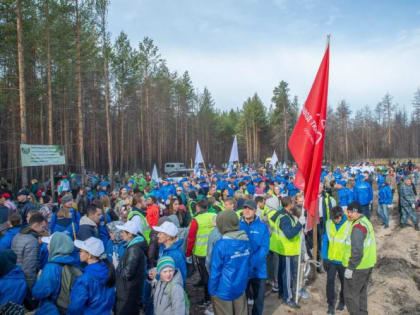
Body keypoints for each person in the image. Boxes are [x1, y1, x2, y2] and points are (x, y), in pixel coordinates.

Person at [209, 209, 251, 315]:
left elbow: (215, 271)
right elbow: (247, 265)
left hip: (223, 291)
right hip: (240, 287)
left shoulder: (221, 245)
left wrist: (212, 291)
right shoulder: (245, 240)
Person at [32, 232, 80, 314]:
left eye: (50, 244)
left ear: (57, 246)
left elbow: (39, 293)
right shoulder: (75, 263)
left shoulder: (51, 267)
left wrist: (39, 278)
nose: (47, 246)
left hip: (54, 309)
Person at [343, 201, 377, 315]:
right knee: (361, 293)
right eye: (348, 212)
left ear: (357, 213)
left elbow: (357, 251)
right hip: (367, 265)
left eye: (351, 212)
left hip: (358, 267)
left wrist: (350, 268)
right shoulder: (365, 221)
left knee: (350, 295)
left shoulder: (358, 227)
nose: (349, 214)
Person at [269, 196, 303, 309]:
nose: (294, 204)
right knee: (288, 275)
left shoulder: (279, 213)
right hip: (287, 249)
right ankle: (288, 298)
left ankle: (282, 293)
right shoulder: (285, 217)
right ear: (289, 204)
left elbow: (273, 222)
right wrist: (299, 224)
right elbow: (289, 234)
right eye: (293, 202)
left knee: (281, 272)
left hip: (279, 248)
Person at [68, 237, 116, 314]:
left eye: (80, 251)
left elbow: (75, 307)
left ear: (89, 255)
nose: (79, 253)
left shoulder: (84, 279)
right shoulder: (108, 271)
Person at [239, 199, 269, 315]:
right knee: (242, 301)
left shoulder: (262, 226)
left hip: (258, 270)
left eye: (249, 208)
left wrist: (251, 264)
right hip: (242, 270)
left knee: (259, 300)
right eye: (245, 208)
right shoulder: (237, 225)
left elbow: (264, 248)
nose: (246, 211)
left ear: (255, 211)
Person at [186, 198, 216, 306]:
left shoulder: (196, 220)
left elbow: (191, 238)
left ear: (198, 207)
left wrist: (188, 253)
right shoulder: (213, 216)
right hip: (214, 251)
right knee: (213, 273)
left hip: (201, 253)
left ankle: (207, 299)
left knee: (205, 276)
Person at [115, 220, 147, 315]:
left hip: (127, 293)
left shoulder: (133, 249)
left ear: (130, 235)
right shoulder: (133, 246)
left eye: (123, 232)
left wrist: (118, 269)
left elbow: (128, 273)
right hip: (130, 291)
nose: (121, 234)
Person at [321, 206, 349, 315]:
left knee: (344, 282)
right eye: (334, 218)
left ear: (341, 215)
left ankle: (342, 301)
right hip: (331, 260)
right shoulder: (329, 223)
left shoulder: (348, 224)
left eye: (337, 218)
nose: (335, 220)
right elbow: (325, 240)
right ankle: (331, 305)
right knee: (330, 282)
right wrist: (324, 257)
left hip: (343, 261)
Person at [11, 212, 47, 288]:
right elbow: (30, 267)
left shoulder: (19, 234)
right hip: (24, 281)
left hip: (16, 277)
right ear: (36, 225)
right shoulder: (32, 241)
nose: (44, 230)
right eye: (43, 227)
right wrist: (32, 289)